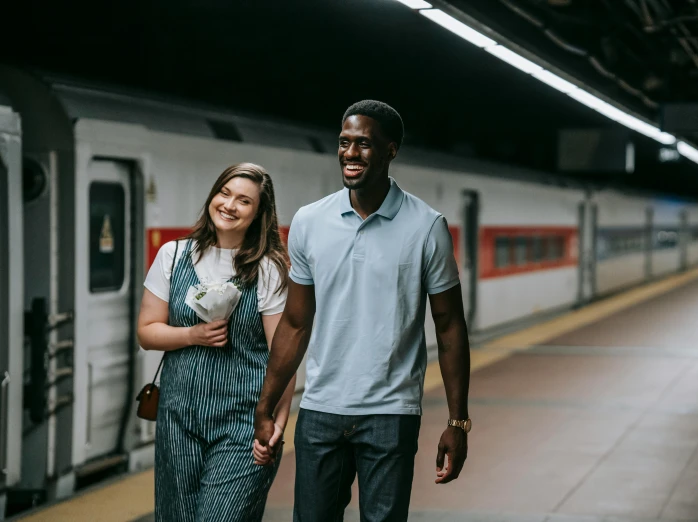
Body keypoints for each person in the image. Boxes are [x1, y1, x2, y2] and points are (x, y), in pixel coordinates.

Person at [253, 101, 471, 521]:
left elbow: (449, 327)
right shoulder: (309, 221)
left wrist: (458, 422)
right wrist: (267, 404)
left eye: (364, 144)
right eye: (344, 142)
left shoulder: (427, 227)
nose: (350, 153)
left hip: (391, 414)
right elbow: (296, 323)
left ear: (391, 151)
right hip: (320, 410)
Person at [138, 163, 295, 521]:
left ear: (258, 214)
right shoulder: (173, 256)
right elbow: (147, 331)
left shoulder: (268, 269)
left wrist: (278, 426)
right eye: (224, 193)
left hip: (244, 423)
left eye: (243, 201)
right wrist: (191, 334)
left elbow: (283, 357)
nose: (229, 205)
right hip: (179, 419)